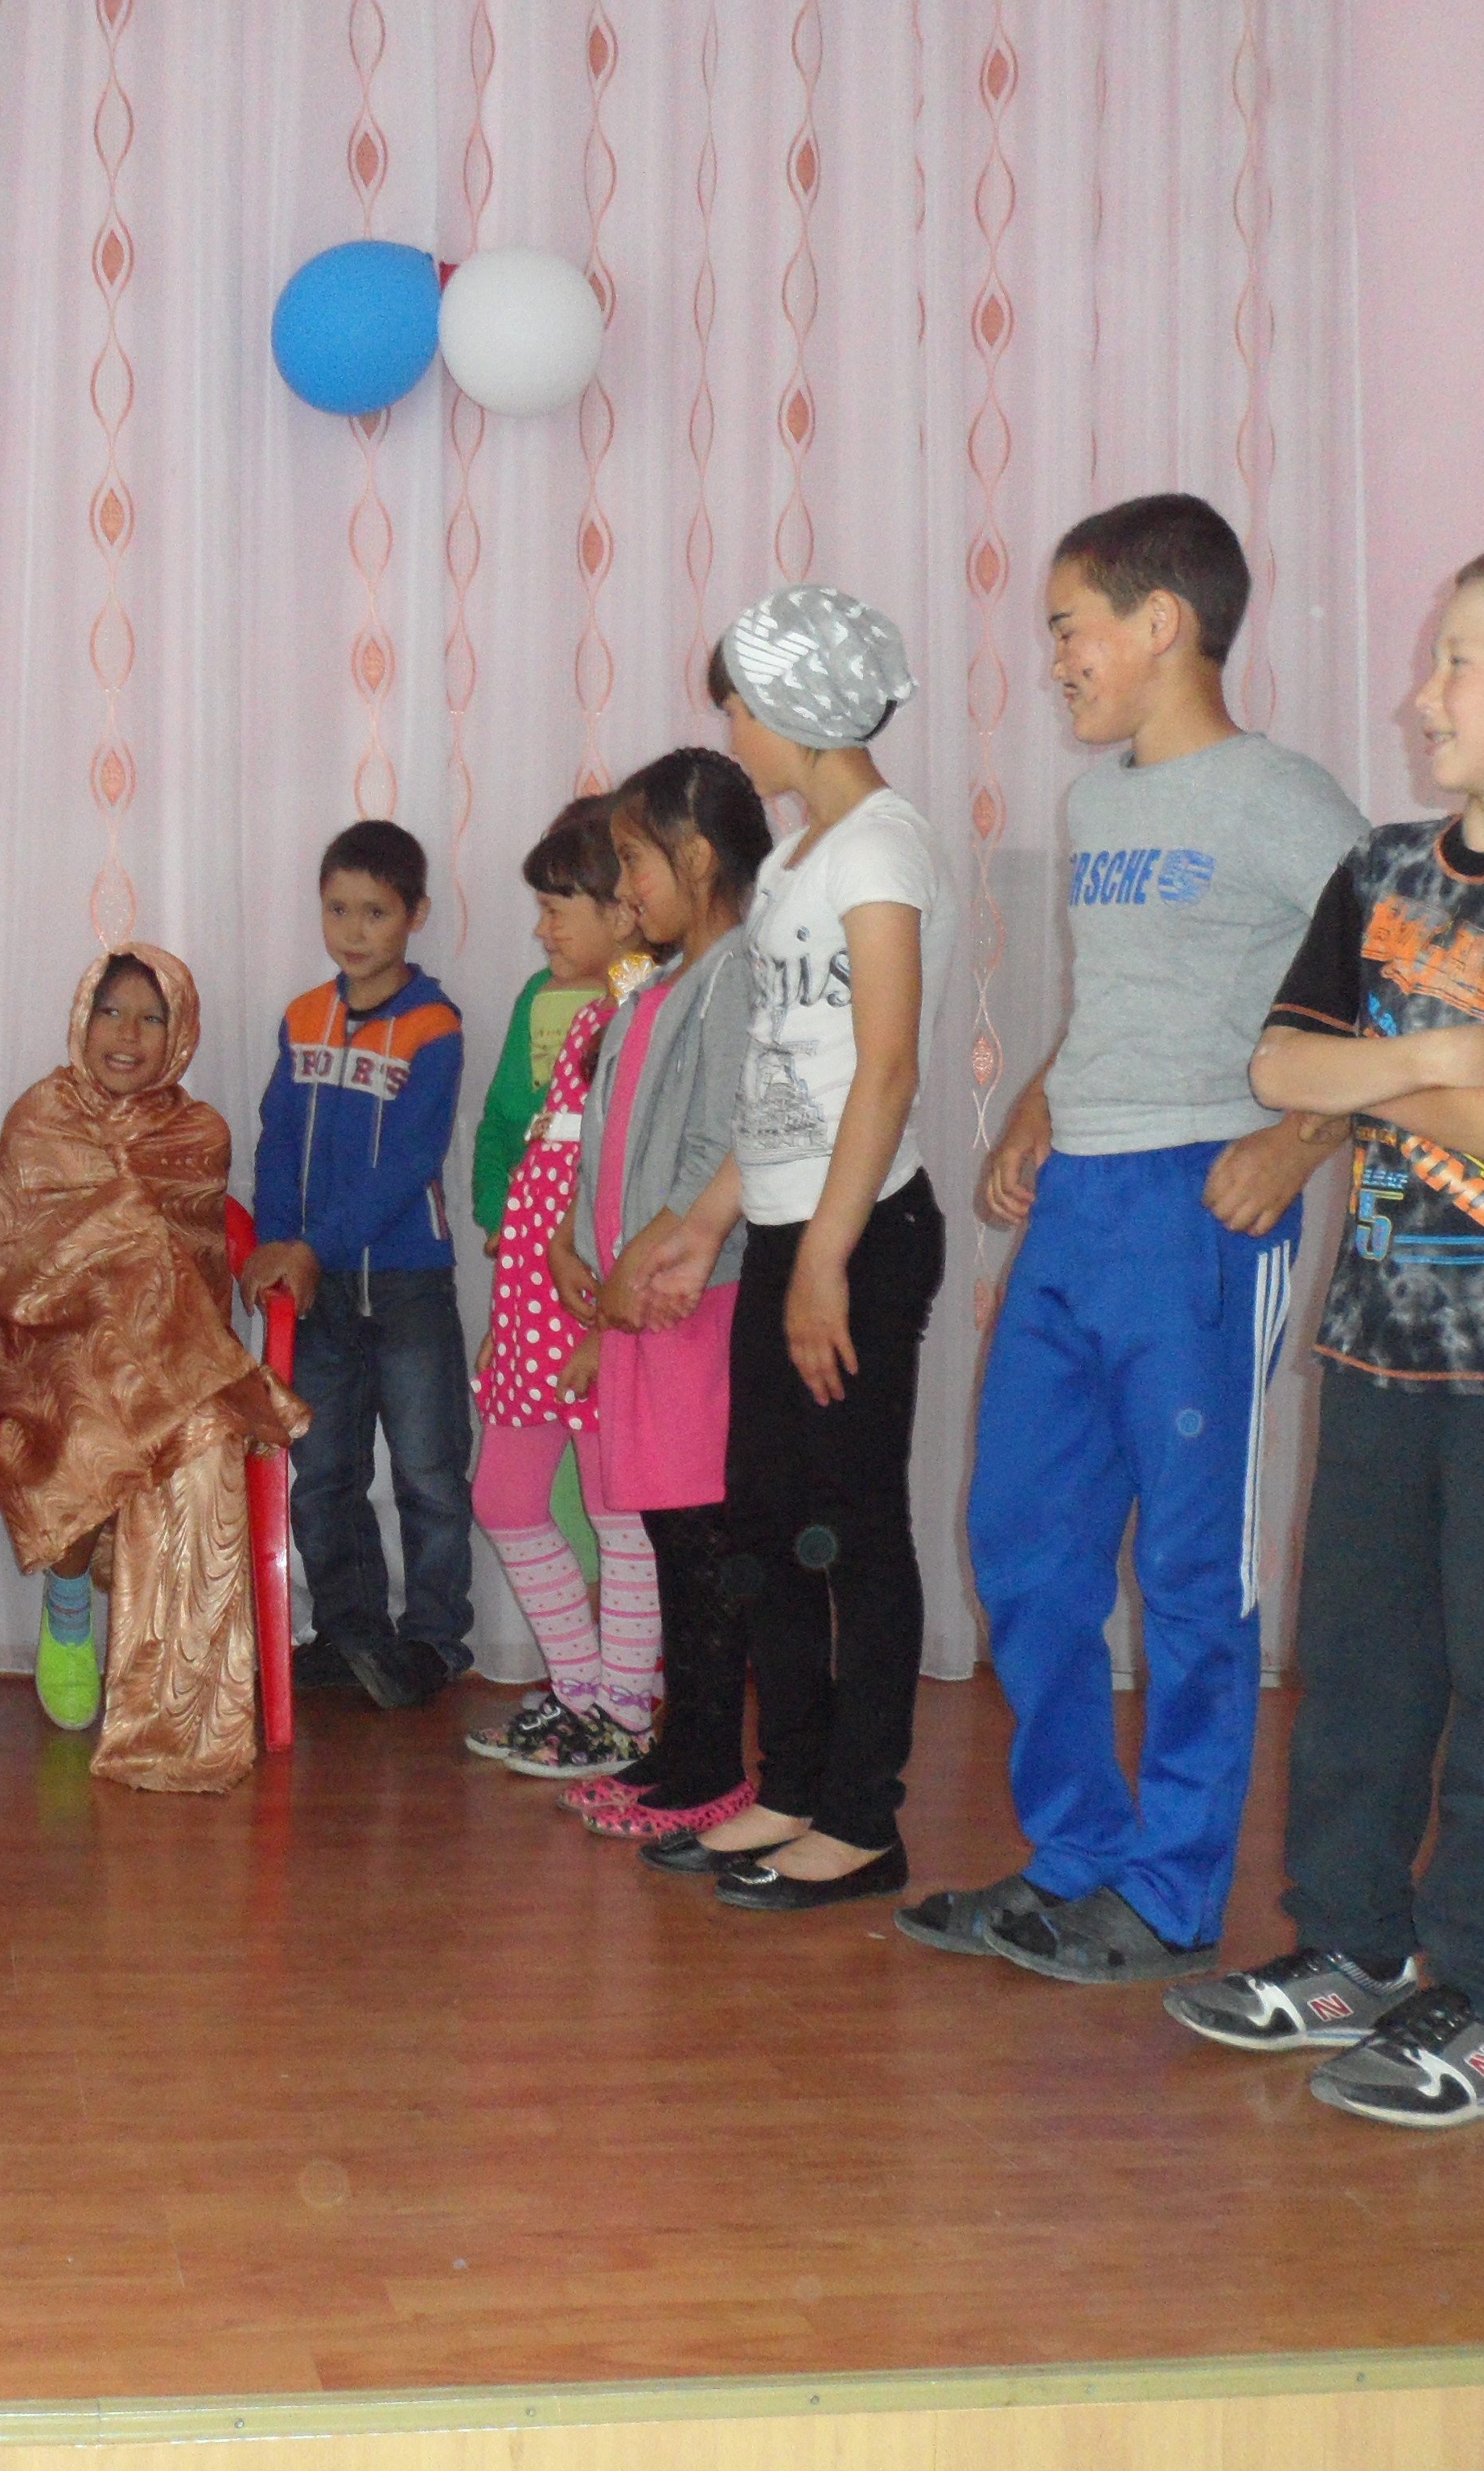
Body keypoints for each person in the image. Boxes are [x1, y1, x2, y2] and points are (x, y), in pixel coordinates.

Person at [1169, 541, 1484, 2130]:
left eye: (1460, 659)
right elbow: (1277, 1071)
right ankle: (1351, 1955)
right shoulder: (1380, 870)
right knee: (1359, 1675)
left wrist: (1395, 1067)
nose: (1424, 692)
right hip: (1376, 1347)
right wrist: (1454, 1047)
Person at [902, 495, 1365, 1984]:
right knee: (1022, 1542)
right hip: (1077, 1207)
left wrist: (1299, 1140)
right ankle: (1076, 1859)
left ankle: (1168, 1894)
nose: (1054, 661)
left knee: (1187, 1568)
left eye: (1067, 628)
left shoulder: (1281, 799)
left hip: (1200, 1209)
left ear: (1160, 622)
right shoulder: (1095, 806)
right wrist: (1039, 1106)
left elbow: (1405, 988)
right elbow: (1117, 1001)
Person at [635, 587, 950, 1914]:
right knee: (765, 1522)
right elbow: (778, 1078)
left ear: (795, 708)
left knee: (852, 1527)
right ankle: (793, 1784)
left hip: (860, 1236)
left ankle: (863, 1819)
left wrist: (825, 1257)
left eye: (738, 706)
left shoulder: (881, 846)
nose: (731, 730)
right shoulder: (788, 868)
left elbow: (885, 1067)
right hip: (783, 1233)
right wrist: (711, 1219)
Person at [0, 948, 309, 1791]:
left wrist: (133, 1258)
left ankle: (178, 1718)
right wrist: (117, 1241)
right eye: (111, 1012)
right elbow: (4, 1264)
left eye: (152, 1018)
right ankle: (69, 1604)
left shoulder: (200, 1134)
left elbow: (198, 1273)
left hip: (171, 1355)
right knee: (97, 1413)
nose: (128, 1034)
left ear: (180, 1034)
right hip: (59, 1349)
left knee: (204, 1436)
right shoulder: (40, 1116)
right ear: (82, 1019)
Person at [558, 750, 768, 1848]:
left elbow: (721, 1138)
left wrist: (646, 1256)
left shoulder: (737, 975)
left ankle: (708, 1765)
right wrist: (581, 1246)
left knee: (698, 1540)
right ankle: (680, 1747)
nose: (626, 887)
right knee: (665, 1530)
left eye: (635, 861)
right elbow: (612, 1139)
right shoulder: (659, 985)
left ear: (697, 859)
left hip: (692, 1300)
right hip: (642, 1303)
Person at [242, 820, 472, 1712]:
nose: (354, 929)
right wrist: (276, 1246)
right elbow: (277, 1143)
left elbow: (410, 1161)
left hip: (408, 1286)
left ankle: (435, 1641)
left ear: (415, 915)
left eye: (375, 912)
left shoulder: (434, 1025)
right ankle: (350, 1634)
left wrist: (313, 1246)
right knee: (325, 1474)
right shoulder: (304, 1017)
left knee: (428, 1474)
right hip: (317, 1293)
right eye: (338, 909)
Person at [465, 805, 659, 1778]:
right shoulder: (588, 1015)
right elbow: (543, 1172)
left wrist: (606, 1330)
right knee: (504, 1497)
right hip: (535, 1313)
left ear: (623, 911)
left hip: (599, 1314)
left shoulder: (640, 1016)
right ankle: (583, 1694)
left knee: (619, 1509)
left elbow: (631, 1184)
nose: (543, 930)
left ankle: (624, 1709)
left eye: (558, 909)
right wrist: (509, 1321)